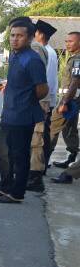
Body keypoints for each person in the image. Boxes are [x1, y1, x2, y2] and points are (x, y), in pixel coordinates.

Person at [0, 20, 49, 203]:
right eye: (12, 35)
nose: (14, 39)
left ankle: (17, 194)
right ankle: (5, 187)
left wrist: (25, 99)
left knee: (20, 155)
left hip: (23, 115)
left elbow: (42, 89)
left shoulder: (33, 60)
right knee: (3, 150)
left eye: (19, 36)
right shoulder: (15, 56)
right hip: (9, 113)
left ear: (30, 38)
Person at [27, 19, 57, 193]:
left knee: (37, 138)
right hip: (44, 99)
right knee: (39, 136)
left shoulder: (43, 51)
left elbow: (46, 81)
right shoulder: (47, 50)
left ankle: (36, 175)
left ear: (39, 34)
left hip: (41, 99)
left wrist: (45, 102)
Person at [49, 31, 80, 178]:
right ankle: (71, 158)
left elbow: (75, 82)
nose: (67, 44)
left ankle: (40, 163)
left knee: (51, 128)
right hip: (72, 99)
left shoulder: (77, 60)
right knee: (69, 129)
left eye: (71, 41)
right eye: (66, 41)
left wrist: (64, 102)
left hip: (70, 100)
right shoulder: (74, 57)